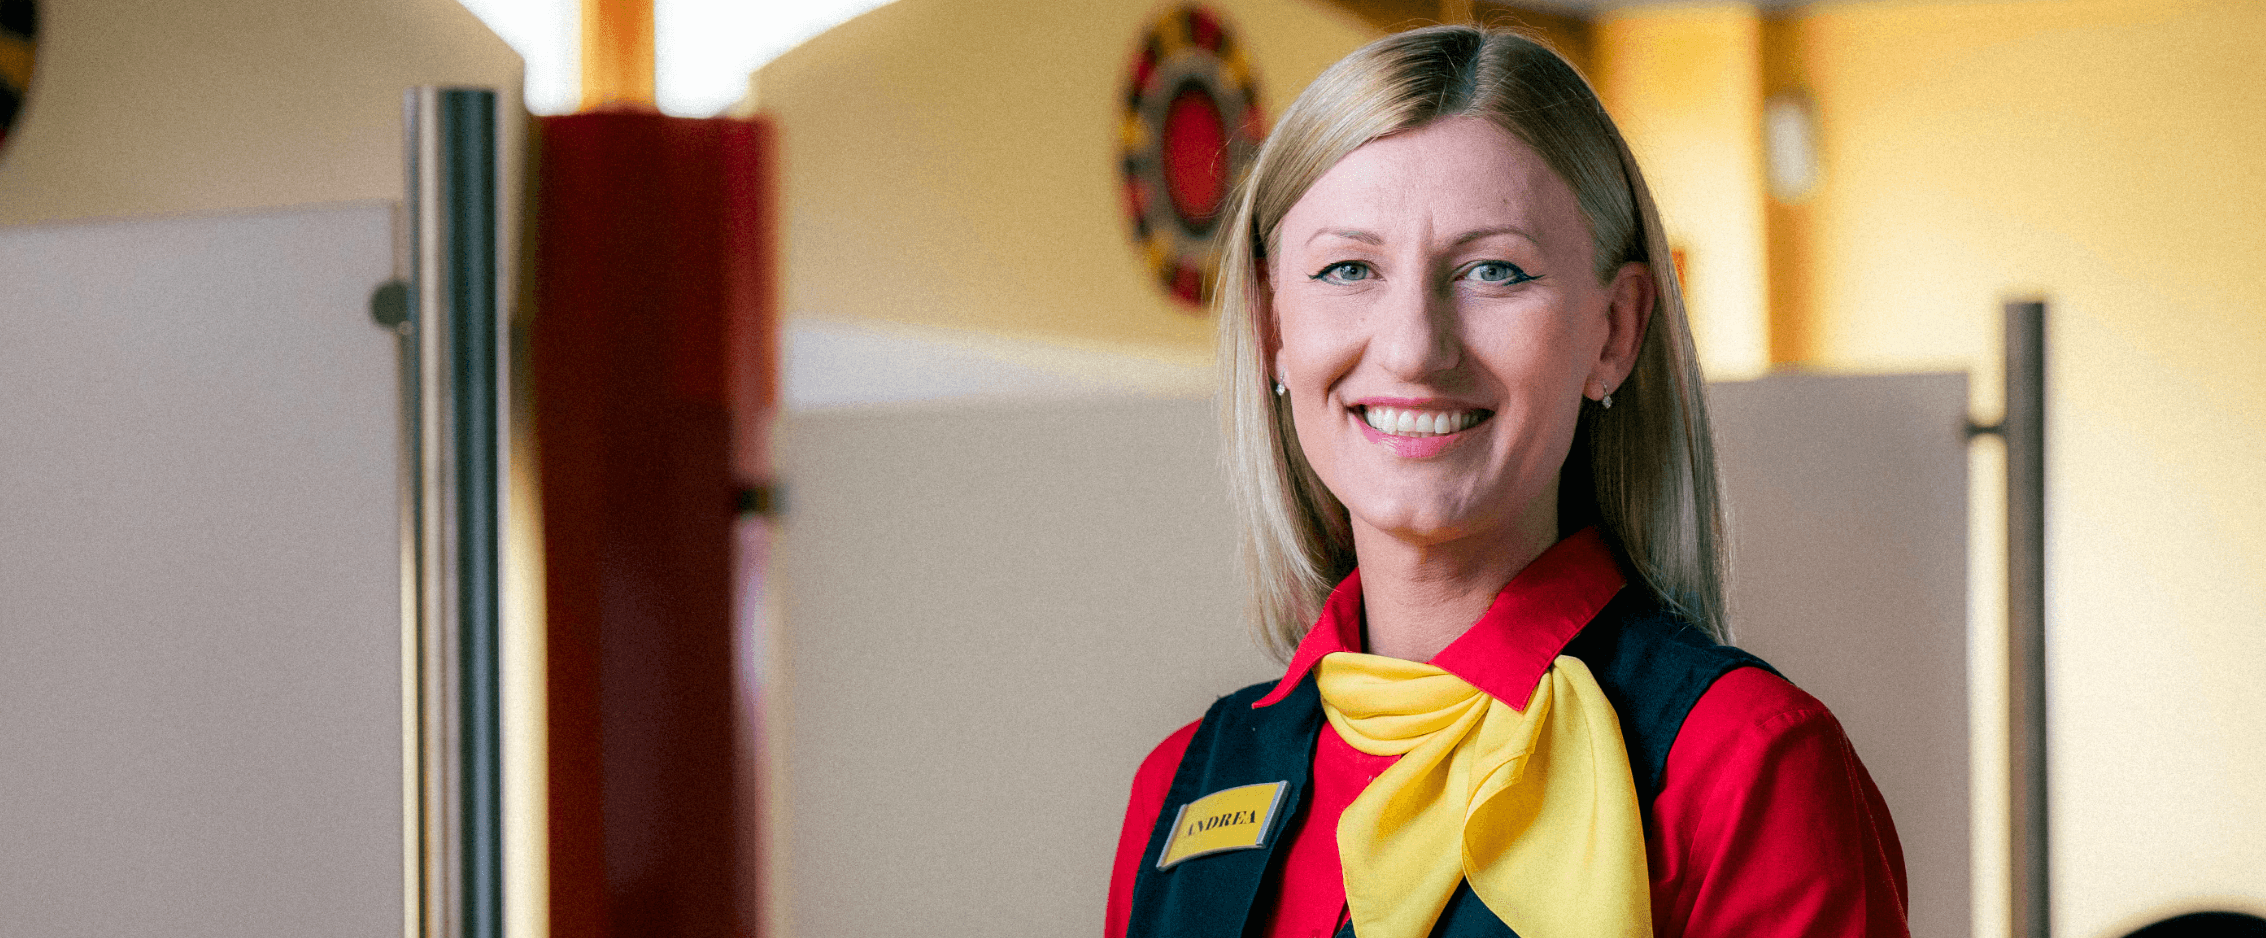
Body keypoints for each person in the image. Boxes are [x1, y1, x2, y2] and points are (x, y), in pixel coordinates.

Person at [1105, 25, 1909, 938]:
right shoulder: (1180, 785)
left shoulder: (1747, 769)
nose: (1414, 347)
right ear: (1272, 326)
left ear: (1614, 329)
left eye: (1495, 271)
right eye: (1347, 269)